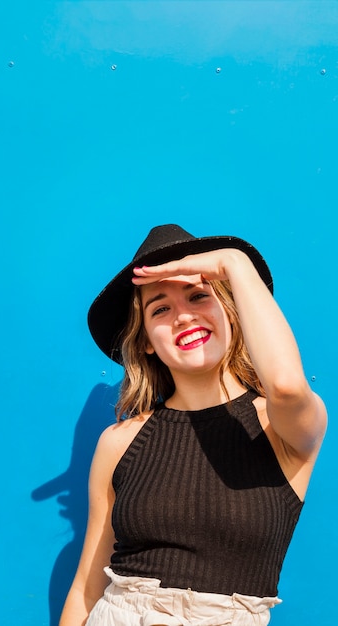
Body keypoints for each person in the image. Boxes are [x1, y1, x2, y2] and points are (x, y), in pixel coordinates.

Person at [59, 224, 327, 626]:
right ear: (147, 338)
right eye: (160, 308)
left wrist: (233, 262)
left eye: (199, 296)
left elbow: (287, 385)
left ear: (232, 313)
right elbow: (86, 585)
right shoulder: (119, 441)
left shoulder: (280, 426)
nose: (184, 316)